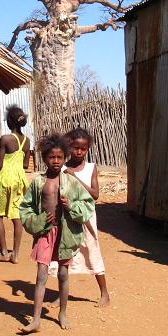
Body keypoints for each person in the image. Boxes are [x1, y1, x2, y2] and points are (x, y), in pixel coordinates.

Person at [19, 134, 95, 333]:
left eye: (59, 157)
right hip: (45, 233)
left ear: (65, 158)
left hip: (65, 233)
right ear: (44, 158)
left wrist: (71, 207)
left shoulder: (71, 182)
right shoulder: (38, 183)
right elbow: (26, 208)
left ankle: (63, 313)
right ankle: (36, 319)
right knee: (41, 275)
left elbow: (88, 204)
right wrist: (38, 220)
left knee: (63, 274)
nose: (55, 161)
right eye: (51, 157)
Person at [63, 127, 110, 307]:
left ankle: (104, 293)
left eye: (83, 149)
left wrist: (75, 177)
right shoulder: (63, 168)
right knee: (64, 255)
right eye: (76, 148)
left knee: (92, 249)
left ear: (88, 149)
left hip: (86, 216)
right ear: (69, 147)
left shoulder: (90, 168)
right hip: (67, 217)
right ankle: (62, 294)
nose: (79, 152)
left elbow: (95, 194)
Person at [0, 105, 30, 263]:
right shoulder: (27, 141)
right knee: (17, 216)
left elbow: (0, 164)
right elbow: (25, 165)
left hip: (4, 179)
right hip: (19, 180)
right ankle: (15, 254)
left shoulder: (6, 139)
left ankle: (3, 252)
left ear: (10, 121)